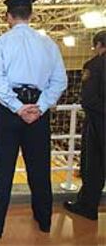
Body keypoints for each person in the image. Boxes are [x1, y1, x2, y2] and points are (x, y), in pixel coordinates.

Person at [0, 0, 67, 239]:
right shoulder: (49, 45)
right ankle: (44, 220)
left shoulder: (2, 43)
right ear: (31, 16)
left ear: (9, 17)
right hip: (38, 112)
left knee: (3, 171)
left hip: (8, 113)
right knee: (40, 169)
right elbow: (60, 81)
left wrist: (17, 107)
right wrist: (40, 106)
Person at [64, 30, 105, 220]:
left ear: (98, 45)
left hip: (98, 124)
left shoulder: (93, 65)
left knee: (93, 167)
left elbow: (88, 100)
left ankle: (87, 207)